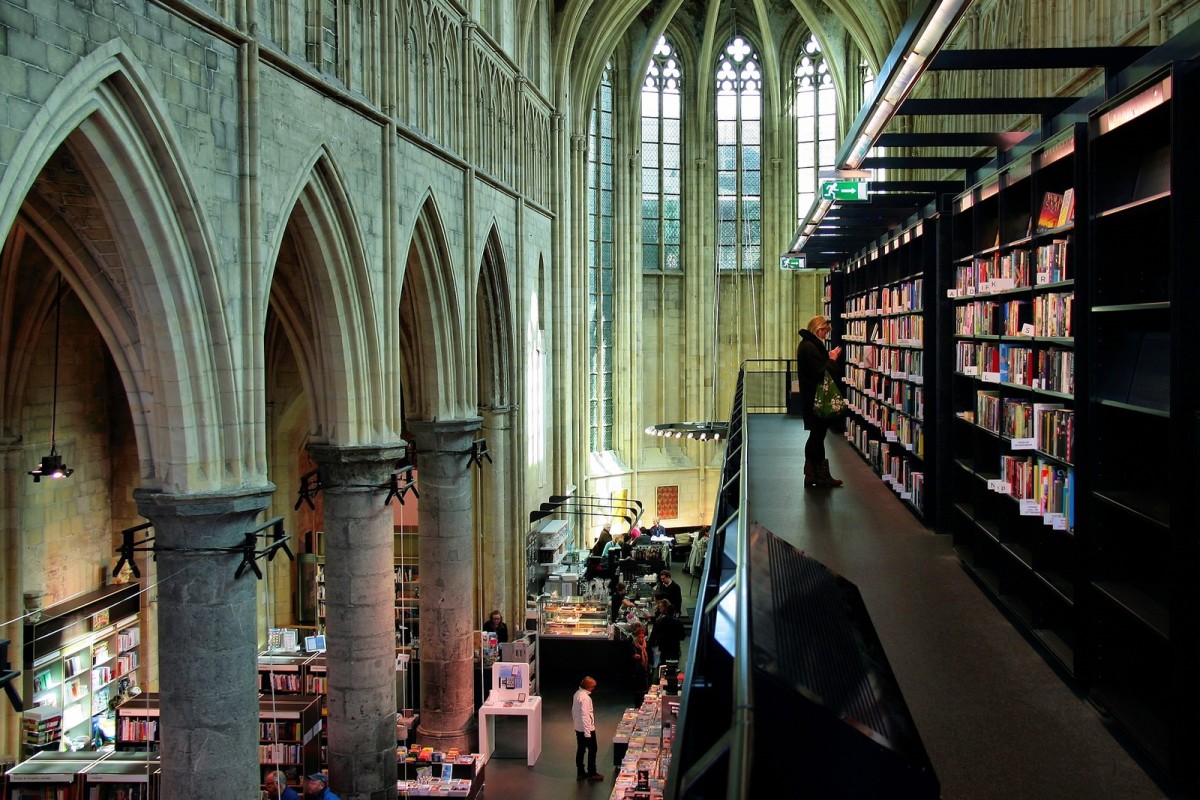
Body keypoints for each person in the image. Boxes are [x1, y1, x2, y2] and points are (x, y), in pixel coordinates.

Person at [796, 315, 844, 488]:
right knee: (817, 435)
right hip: (816, 399)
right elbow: (820, 373)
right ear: (818, 329)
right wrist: (831, 359)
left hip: (812, 397)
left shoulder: (808, 345)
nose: (826, 335)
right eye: (825, 332)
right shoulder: (810, 347)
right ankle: (819, 475)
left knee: (817, 435)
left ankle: (813, 473)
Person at [572, 676, 604, 781]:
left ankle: (580, 772)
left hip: (578, 727)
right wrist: (588, 732)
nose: (593, 688)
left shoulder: (577, 694)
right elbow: (585, 716)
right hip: (587, 729)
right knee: (593, 749)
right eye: (592, 686)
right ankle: (592, 772)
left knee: (581, 749)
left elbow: (574, 712)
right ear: (588, 686)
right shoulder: (586, 698)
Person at [649, 603, 685, 669]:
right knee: (674, 663)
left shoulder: (662, 621)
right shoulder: (678, 622)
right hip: (674, 646)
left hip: (663, 646)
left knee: (663, 663)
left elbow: (656, 632)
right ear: (674, 612)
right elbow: (682, 636)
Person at [630, 625, 651, 695]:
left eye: (642, 637)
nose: (641, 639)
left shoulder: (647, 645)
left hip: (645, 669)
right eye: (639, 637)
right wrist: (633, 656)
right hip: (637, 670)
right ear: (636, 637)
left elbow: (650, 656)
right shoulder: (633, 645)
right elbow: (627, 656)